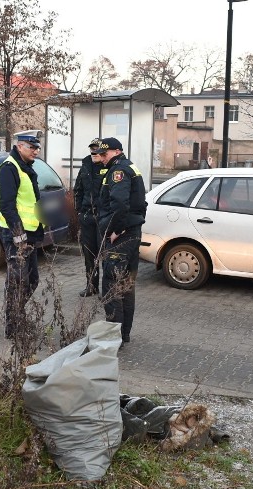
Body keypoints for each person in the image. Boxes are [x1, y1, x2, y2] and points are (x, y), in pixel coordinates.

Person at [95, 137, 147, 344]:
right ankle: (123, 334)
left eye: (104, 154)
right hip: (132, 233)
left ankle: (112, 338)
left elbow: (119, 204)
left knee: (112, 286)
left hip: (121, 236)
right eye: (100, 154)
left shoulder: (119, 171)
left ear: (116, 152)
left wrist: (115, 229)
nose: (101, 158)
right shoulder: (129, 167)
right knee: (126, 286)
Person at [0, 132, 45, 339]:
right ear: (19, 146)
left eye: (37, 148)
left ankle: (17, 315)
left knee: (31, 280)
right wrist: (18, 234)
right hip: (17, 236)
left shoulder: (26, 167)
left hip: (30, 233)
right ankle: (13, 327)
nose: (36, 151)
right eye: (32, 147)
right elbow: (7, 206)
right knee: (18, 282)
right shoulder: (9, 168)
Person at [72, 138, 105, 297]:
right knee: (89, 255)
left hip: (103, 218)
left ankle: (107, 289)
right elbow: (77, 189)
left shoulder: (109, 167)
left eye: (97, 149)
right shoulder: (85, 166)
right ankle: (91, 286)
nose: (94, 152)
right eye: (92, 149)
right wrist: (79, 211)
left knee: (104, 255)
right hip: (87, 216)